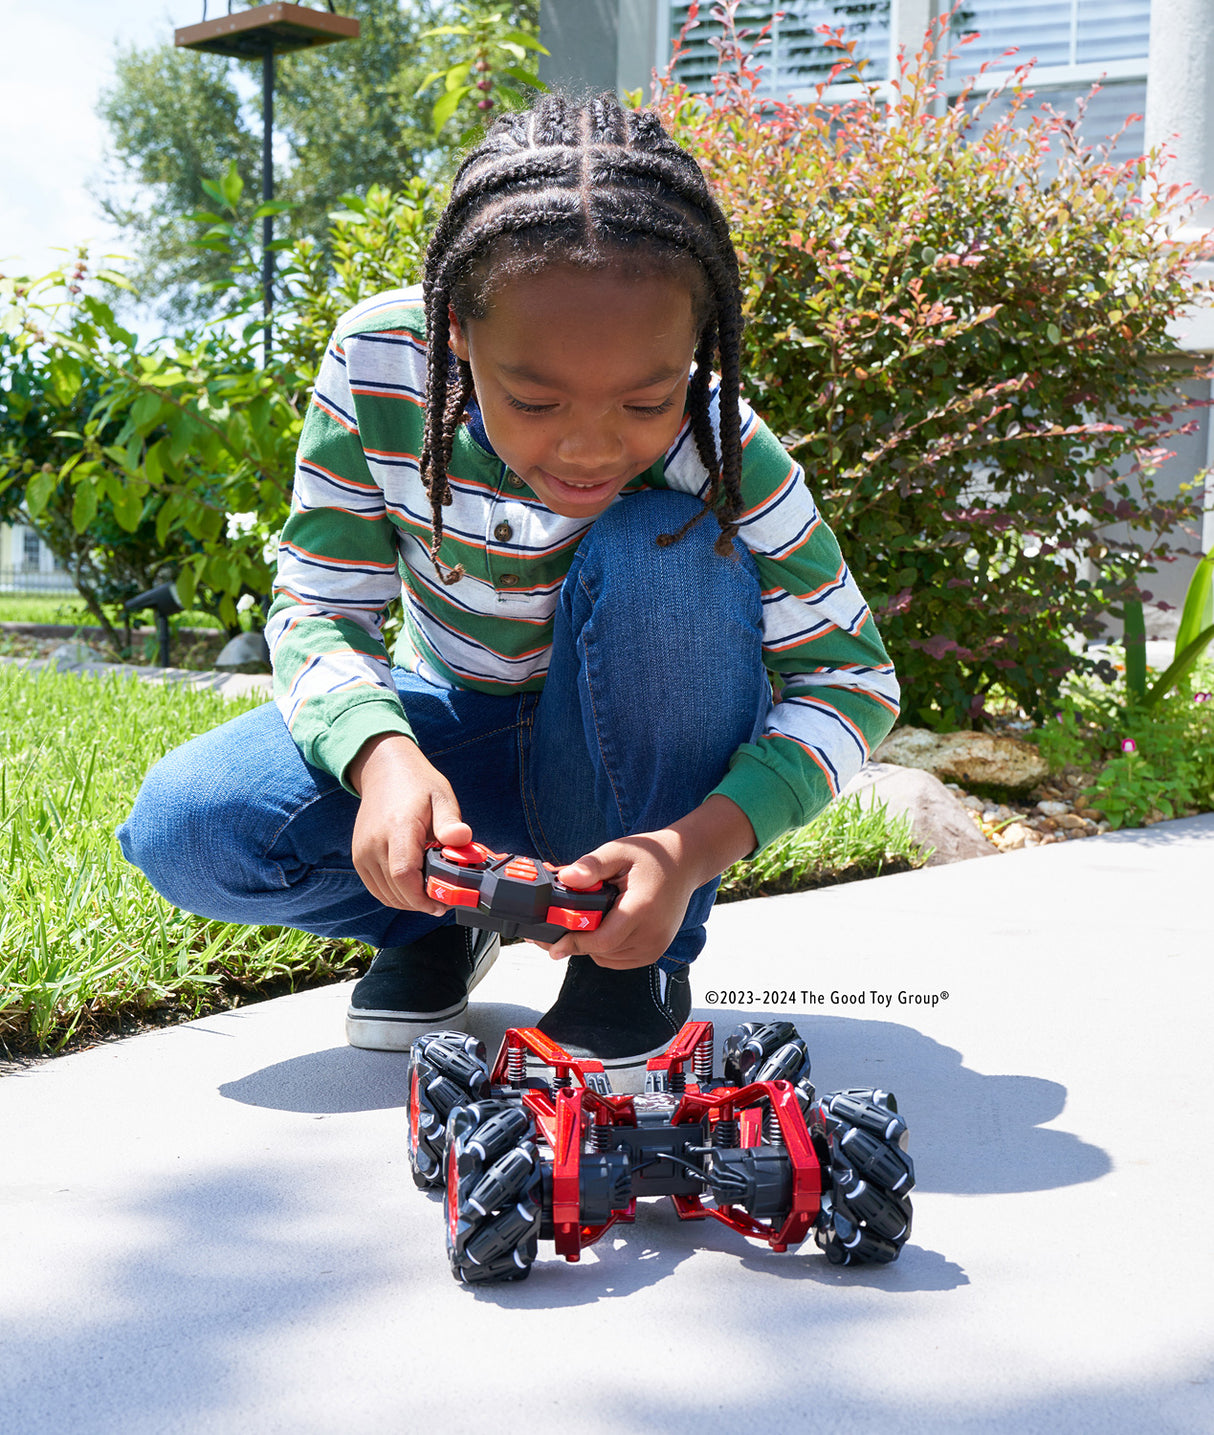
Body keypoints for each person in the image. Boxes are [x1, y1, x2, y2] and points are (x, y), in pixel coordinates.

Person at [118, 92, 899, 1078]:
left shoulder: (723, 449)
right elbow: (321, 603)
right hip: (454, 736)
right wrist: (382, 760)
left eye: (646, 401)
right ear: (456, 330)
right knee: (190, 826)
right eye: (533, 399)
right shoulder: (378, 366)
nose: (588, 447)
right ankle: (437, 919)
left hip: (637, 783)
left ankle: (629, 969)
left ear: (695, 352)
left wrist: (689, 849)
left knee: (668, 552)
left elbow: (852, 682)